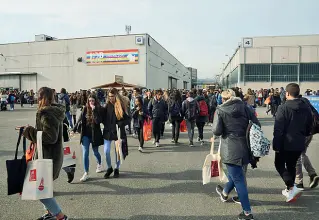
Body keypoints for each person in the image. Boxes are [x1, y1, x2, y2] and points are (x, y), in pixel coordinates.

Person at [212, 89, 260, 220]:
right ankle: (225, 192)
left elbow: (216, 131)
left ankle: (247, 212)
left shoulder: (220, 110)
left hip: (230, 148)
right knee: (236, 175)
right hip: (245, 147)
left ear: (223, 99)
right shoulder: (246, 107)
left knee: (238, 179)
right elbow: (257, 125)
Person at [22, 87, 68, 220]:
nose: (37, 98)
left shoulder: (47, 113)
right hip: (51, 156)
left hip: (48, 157)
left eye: (39, 96)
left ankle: (60, 216)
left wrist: (29, 132)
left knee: (39, 190)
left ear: (45, 98)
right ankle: (50, 213)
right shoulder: (53, 111)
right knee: (44, 187)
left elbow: (50, 137)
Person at [273, 83, 313, 202]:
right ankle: (290, 190)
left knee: (279, 164)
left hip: (285, 142)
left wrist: (276, 144)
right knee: (291, 165)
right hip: (299, 141)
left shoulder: (283, 107)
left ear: (287, 93)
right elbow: (310, 124)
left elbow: (278, 128)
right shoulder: (306, 106)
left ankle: (291, 186)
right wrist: (304, 134)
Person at [73, 94, 104, 182]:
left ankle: (99, 163)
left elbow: (98, 121)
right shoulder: (85, 109)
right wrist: (74, 129)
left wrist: (94, 111)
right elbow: (79, 119)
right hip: (85, 135)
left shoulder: (98, 109)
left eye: (92, 101)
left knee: (95, 152)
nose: (91, 102)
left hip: (95, 135)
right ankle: (86, 172)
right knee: (85, 153)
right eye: (89, 101)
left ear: (95, 101)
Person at [102, 88, 129, 178]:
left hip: (117, 132)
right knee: (106, 151)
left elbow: (128, 118)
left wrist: (121, 123)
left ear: (116, 96)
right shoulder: (107, 105)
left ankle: (116, 168)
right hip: (108, 132)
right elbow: (102, 117)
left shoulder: (120, 105)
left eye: (112, 96)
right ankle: (109, 168)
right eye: (109, 96)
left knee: (117, 152)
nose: (110, 98)